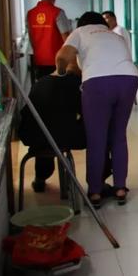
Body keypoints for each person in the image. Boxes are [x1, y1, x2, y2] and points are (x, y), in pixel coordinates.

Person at [55, 11, 138, 208]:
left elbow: (62, 56)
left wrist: (60, 72)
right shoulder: (114, 35)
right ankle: (120, 187)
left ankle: (95, 191)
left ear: (82, 23)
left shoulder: (80, 32)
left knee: (96, 138)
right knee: (118, 136)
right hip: (129, 79)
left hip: (97, 83)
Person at [18, 62, 85, 193]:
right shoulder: (77, 85)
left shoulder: (40, 82)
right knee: (65, 131)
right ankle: (96, 186)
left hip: (34, 137)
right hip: (63, 138)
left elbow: (27, 115)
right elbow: (86, 113)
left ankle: (40, 179)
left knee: (46, 132)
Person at [27, 0, 72, 81]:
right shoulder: (58, 12)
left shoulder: (30, 13)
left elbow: (31, 36)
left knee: (43, 85)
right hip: (57, 60)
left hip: (39, 59)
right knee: (57, 86)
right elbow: (66, 37)